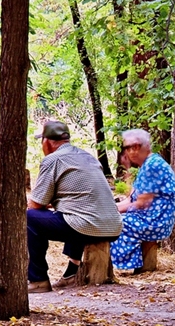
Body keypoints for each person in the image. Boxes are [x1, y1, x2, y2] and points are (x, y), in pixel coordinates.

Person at [26, 120, 123, 293]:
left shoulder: (52, 160)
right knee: (73, 213)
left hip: (87, 225)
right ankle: (71, 272)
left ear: (47, 142)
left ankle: (38, 280)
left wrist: (36, 204)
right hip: (113, 226)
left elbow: (36, 204)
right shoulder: (87, 157)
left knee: (29, 218)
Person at [110, 129, 175, 273]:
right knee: (110, 218)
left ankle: (129, 264)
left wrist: (110, 212)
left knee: (113, 223)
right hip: (148, 216)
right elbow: (133, 197)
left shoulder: (152, 166)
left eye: (127, 148)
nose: (127, 152)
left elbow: (140, 203)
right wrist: (110, 208)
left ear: (136, 147)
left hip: (155, 220)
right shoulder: (148, 164)